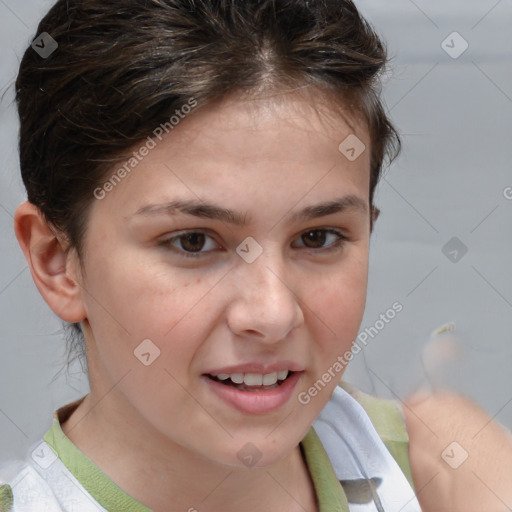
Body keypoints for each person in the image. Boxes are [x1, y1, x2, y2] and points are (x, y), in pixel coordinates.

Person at [1, 1, 510, 511]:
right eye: (193, 241)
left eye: (318, 238)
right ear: (56, 262)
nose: (272, 314)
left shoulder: (448, 472)